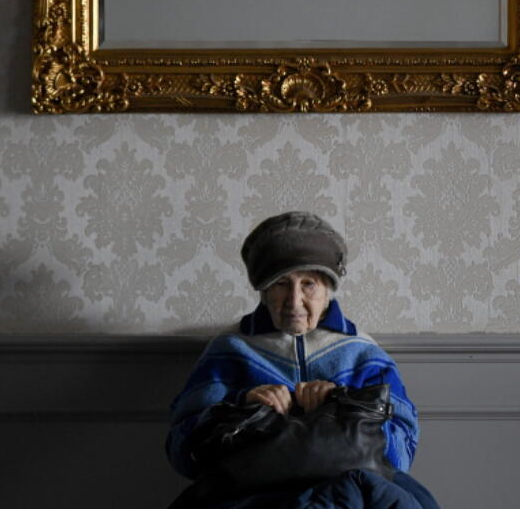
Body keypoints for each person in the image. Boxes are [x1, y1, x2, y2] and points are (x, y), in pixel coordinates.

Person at [166, 212, 440, 509]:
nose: (294, 301)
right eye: (281, 284)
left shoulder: (363, 354)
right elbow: (183, 452)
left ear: (328, 290)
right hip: (250, 495)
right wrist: (242, 403)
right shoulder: (229, 350)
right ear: (263, 290)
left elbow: (402, 453)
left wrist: (341, 406)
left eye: (308, 284)